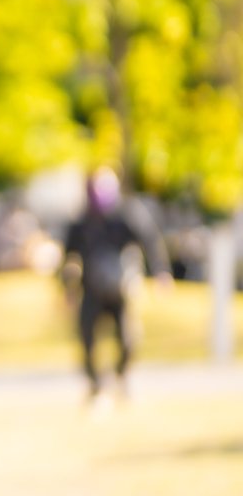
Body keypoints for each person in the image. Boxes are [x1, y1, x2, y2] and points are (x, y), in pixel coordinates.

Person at [60, 166, 172, 401]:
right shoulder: (83, 221)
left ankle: (121, 377)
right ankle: (95, 383)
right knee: (87, 337)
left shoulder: (126, 215)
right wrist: (67, 289)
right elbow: (68, 255)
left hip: (120, 289)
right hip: (91, 289)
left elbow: (150, 242)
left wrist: (161, 272)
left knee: (127, 339)